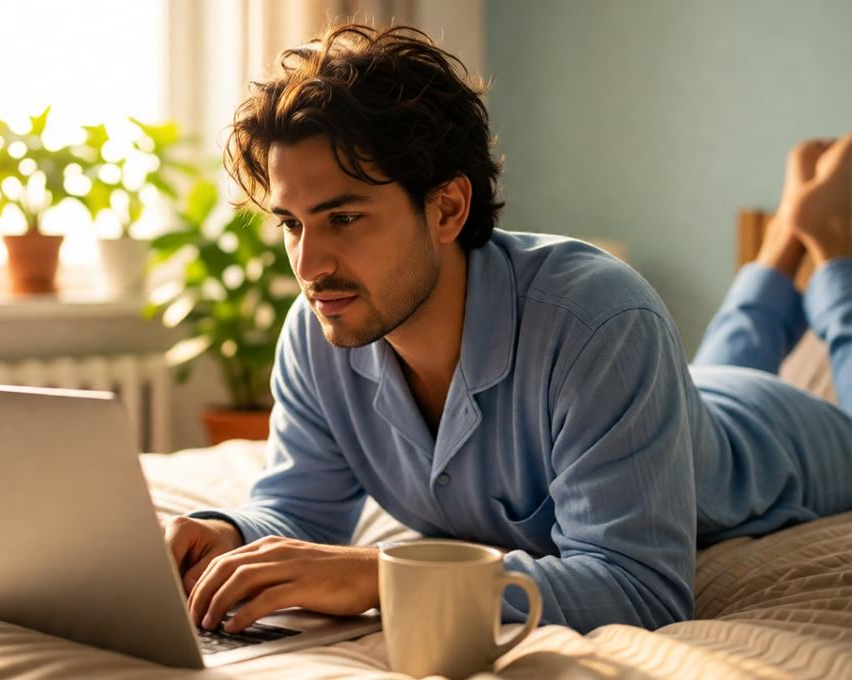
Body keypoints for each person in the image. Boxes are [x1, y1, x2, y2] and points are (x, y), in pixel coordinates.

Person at [165, 24, 852, 634]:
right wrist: (230, 534)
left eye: (343, 218)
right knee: (709, 374)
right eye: (292, 223)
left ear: (447, 208)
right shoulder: (319, 329)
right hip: (692, 394)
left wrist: (384, 575)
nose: (308, 266)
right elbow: (299, 511)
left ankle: (829, 253)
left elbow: (640, 588)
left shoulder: (602, 321)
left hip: (775, 438)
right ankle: (782, 245)